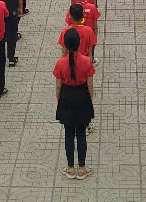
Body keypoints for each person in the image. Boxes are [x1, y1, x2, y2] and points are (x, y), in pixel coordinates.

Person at [54, 26, 95, 179]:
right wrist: (90, 101)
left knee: (69, 134)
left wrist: (59, 101)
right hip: (82, 97)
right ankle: (82, 168)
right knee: (81, 134)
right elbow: (90, 85)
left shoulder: (60, 63)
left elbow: (58, 86)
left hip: (66, 98)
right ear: (79, 44)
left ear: (65, 45)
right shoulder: (87, 61)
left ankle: (70, 168)